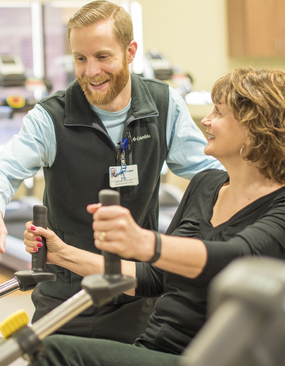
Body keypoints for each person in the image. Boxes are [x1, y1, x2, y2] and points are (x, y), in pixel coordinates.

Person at [0, 0, 220, 343]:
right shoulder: (51, 117)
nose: (91, 71)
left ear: (130, 52)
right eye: (80, 59)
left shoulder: (164, 105)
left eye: (102, 57)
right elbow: (3, 168)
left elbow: (209, 171)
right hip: (67, 295)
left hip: (137, 290)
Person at [26, 67, 285, 366]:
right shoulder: (205, 184)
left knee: (53, 351)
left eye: (219, 112)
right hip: (153, 346)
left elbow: (236, 258)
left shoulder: (279, 205)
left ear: (255, 128)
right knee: (43, 348)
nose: (206, 120)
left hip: (206, 358)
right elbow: (154, 277)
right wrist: (61, 255)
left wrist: (144, 242)